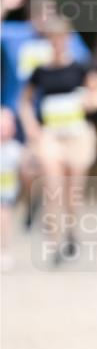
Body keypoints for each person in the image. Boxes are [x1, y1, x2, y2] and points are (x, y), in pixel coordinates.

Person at [19, 16, 97, 266]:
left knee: (73, 189)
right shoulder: (40, 71)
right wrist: (31, 126)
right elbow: (25, 101)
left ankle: (71, 232)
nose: (57, 44)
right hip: (51, 135)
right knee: (53, 184)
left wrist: (91, 101)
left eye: (61, 39)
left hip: (77, 134)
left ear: (67, 39)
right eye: (52, 39)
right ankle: (55, 239)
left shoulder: (80, 67)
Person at [0, 107, 23, 271]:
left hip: (6, 193)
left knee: (4, 216)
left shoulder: (16, 149)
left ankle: (4, 250)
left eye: (8, 125)